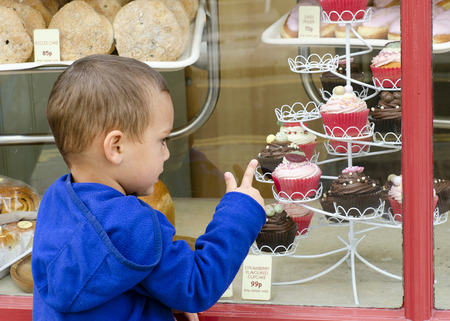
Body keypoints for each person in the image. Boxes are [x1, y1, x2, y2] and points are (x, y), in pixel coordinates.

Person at [31, 54, 266, 321]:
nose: (166, 153)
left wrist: (161, 297)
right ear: (116, 147)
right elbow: (198, 284)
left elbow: (108, 277)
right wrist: (240, 212)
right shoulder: (134, 227)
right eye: (162, 140)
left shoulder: (55, 199)